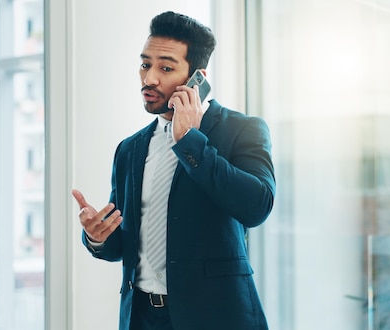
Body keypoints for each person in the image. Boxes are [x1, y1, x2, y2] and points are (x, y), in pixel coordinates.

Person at [72, 11, 275, 330]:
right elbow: (124, 247)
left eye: (165, 67)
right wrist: (98, 238)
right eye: (145, 64)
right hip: (141, 316)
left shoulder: (242, 130)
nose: (149, 78)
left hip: (217, 317)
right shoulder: (130, 149)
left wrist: (190, 141)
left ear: (198, 78)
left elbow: (256, 208)